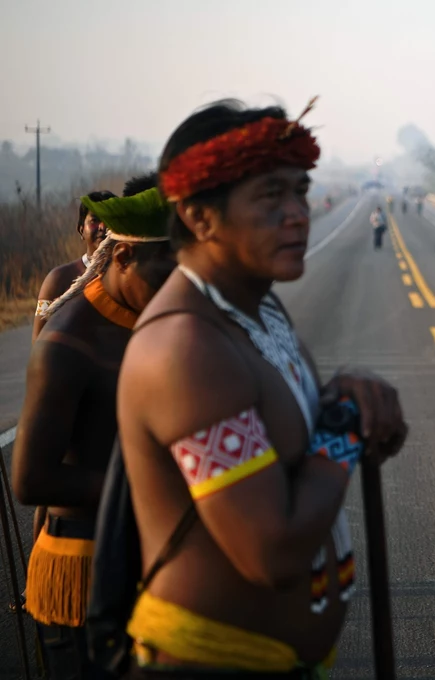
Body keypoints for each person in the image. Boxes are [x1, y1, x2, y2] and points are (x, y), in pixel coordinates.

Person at [117, 98, 407, 676]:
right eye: (271, 196)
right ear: (200, 217)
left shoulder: (260, 307)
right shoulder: (186, 348)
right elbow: (271, 552)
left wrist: (351, 400)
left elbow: (292, 445)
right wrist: (344, 430)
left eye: (300, 191)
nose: (299, 213)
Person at [13, 173, 176, 680]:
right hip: (83, 563)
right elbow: (30, 480)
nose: (174, 289)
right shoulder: (68, 343)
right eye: (164, 274)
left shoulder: (152, 322)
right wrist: (145, 489)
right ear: (123, 257)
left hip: (148, 557)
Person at [32, 190, 115, 342]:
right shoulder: (58, 279)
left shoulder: (131, 279)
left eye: (109, 219)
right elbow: (38, 343)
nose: (103, 226)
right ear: (81, 230)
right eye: (95, 220)